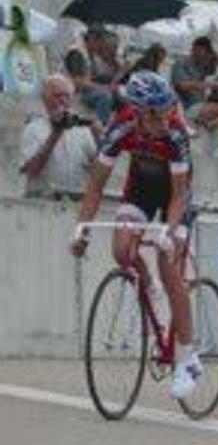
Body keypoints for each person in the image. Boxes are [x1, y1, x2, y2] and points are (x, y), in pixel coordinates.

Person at [69, 71, 203, 401]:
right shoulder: (122, 127)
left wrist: (169, 234)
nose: (165, 118)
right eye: (157, 113)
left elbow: (178, 195)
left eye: (167, 109)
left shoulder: (174, 134)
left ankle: (188, 360)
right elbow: (96, 185)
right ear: (139, 111)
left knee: (168, 264)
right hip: (141, 192)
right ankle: (150, 290)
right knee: (122, 252)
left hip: (175, 197)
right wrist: (81, 230)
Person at [19, 74, 101, 199]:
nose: (63, 100)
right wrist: (56, 133)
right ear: (45, 99)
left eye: (67, 96)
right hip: (42, 201)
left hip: (75, 200)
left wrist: (99, 138)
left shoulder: (82, 129)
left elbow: (97, 169)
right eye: (57, 95)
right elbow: (32, 170)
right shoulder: (33, 129)